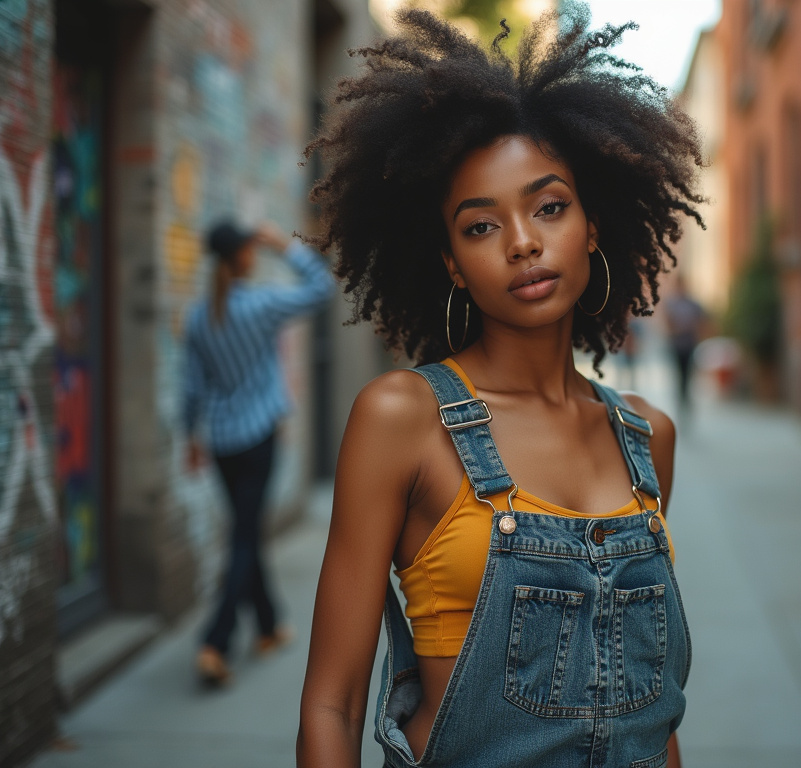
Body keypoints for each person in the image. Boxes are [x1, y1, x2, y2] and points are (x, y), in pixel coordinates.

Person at [297, 5, 705, 766]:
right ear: (451, 263)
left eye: (550, 207)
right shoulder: (403, 418)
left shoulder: (648, 437)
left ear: (591, 225)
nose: (522, 243)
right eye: (480, 226)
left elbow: (653, 707)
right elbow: (333, 701)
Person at [183, 218, 336, 686]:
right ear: (244, 255)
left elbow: (191, 387)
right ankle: (216, 640)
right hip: (260, 439)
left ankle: (268, 626)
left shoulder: (198, 316)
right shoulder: (261, 305)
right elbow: (322, 288)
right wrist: (283, 247)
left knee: (245, 530)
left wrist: (191, 436)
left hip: (223, 442)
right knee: (245, 538)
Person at [664, 276, 707, 405]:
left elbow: (701, 321)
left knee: (688, 370)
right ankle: (680, 394)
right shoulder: (672, 304)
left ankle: (685, 394)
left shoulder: (693, 304)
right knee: (678, 370)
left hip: (689, 342)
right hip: (676, 343)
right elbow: (667, 322)